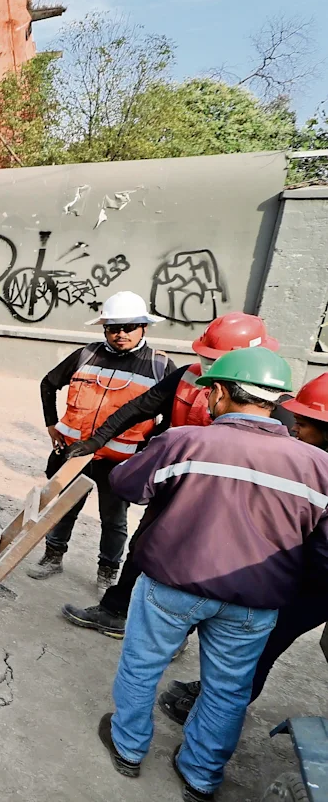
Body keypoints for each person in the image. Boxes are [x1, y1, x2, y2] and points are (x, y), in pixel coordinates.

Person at [98, 348, 328, 801]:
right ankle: (200, 776)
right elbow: (322, 551)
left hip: (171, 585)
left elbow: (125, 485)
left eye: (210, 393)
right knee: (229, 689)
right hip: (255, 602)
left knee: (143, 665)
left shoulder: (185, 441)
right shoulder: (320, 468)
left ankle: (128, 749)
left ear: (220, 391)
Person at [61, 313, 292, 638]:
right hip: (178, 486)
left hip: (230, 499)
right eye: (206, 358)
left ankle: (173, 635)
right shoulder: (187, 377)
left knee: (201, 562)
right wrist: (96, 441)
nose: (209, 369)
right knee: (144, 544)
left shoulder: (272, 403)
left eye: (219, 361)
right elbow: (139, 407)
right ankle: (116, 611)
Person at [157, 373, 328, 726]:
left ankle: (215, 714)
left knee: (262, 646)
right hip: (301, 574)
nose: (294, 430)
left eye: (303, 424)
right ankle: (214, 697)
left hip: (314, 584)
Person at [28, 291, 174, 594]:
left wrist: (148, 452)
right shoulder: (86, 355)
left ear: (144, 327)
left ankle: (107, 571)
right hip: (75, 454)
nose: (120, 334)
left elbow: (170, 417)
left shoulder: (160, 367)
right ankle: (52, 557)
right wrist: (51, 424)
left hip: (119, 462)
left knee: (113, 519)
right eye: (112, 328)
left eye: (129, 327)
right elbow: (48, 383)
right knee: (63, 509)